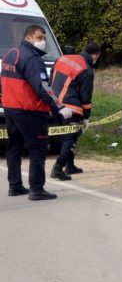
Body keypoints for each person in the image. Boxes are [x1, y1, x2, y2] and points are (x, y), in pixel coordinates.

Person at [2, 25, 73, 200]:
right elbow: (43, 87)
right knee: (38, 149)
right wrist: (60, 107)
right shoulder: (32, 58)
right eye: (39, 38)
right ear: (28, 38)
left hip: (11, 109)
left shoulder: (11, 54)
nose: (42, 42)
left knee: (15, 147)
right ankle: (36, 189)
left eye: (44, 38)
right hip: (30, 111)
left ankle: (15, 185)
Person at [49, 42, 101, 180]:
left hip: (56, 105)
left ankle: (70, 165)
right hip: (71, 108)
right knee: (70, 139)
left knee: (66, 137)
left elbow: (51, 77)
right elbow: (86, 96)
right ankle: (58, 168)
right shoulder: (86, 70)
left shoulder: (63, 58)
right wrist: (86, 117)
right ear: (95, 55)